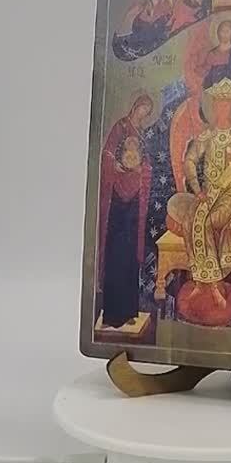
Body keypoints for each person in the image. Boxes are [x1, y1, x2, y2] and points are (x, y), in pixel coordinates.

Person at [167, 78, 231, 314]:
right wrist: (196, 187)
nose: (222, 108)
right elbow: (190, 160)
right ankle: (205, 284)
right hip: (209, 193)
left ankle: (214, 285)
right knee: (190, 222)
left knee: (208, 223)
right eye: (218, 104)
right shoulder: (207, 136)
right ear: (213, 107)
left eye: (227, 104)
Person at [97, 95, 153, 327]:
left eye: (147, 112)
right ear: (135, 106)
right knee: (115, 256)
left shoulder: (141, 134)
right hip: (117, 202)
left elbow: (147, 164)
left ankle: (129, 312)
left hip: (134, 203)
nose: (143, 114)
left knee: (130, 258)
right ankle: (111, 315)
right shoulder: (120, 127)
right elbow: (107, 155)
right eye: (142, 109)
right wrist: (116, 166)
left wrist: (140, 170)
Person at [201, 19, 231, 89]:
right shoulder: (212, 54)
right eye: (222, 31)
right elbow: (206, 74)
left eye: (227, 31)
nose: (224, 34)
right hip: (215, 90)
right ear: (218, 33)